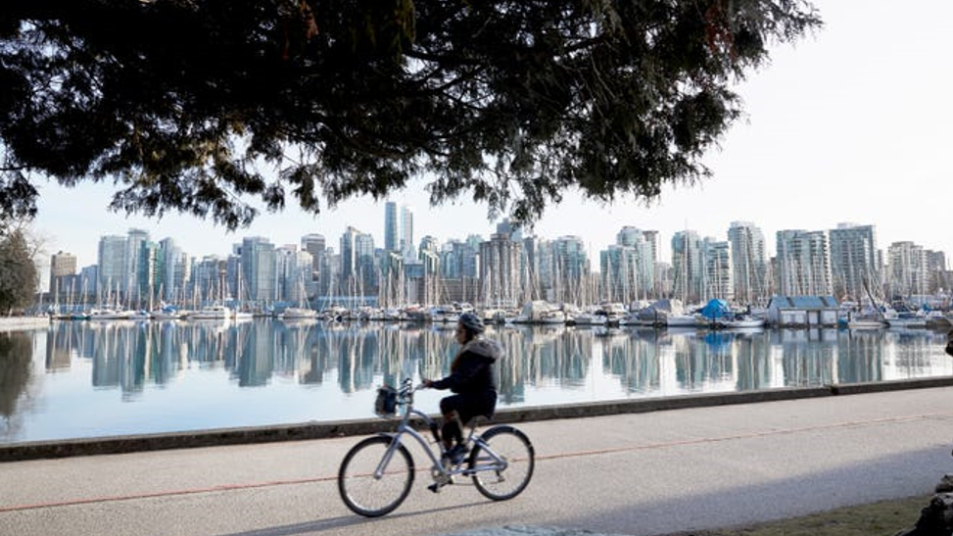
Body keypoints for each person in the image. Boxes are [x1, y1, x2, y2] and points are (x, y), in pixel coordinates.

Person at [423, 312, 503, 465]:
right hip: (473, 396)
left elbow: (460, 377)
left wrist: (435, 384)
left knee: (447, 403)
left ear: (469, 333)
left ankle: (462, 446)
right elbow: (460, 379)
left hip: (483, 398)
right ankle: (446, 469)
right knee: (447, 430)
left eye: (460, 331)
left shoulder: (477, 352)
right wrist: (434, 384)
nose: (456, 334)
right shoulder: (471, 349)